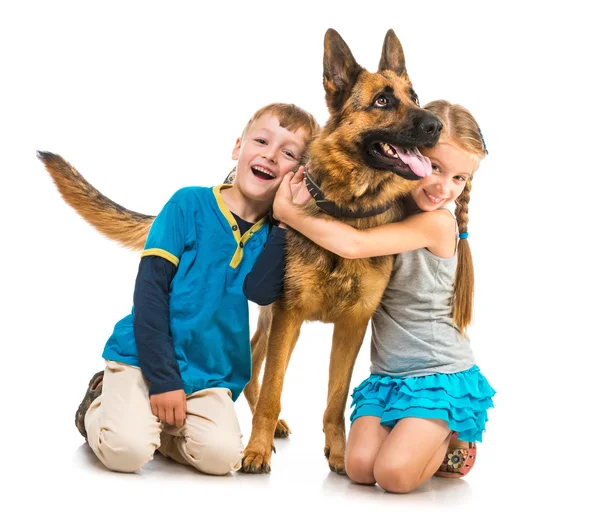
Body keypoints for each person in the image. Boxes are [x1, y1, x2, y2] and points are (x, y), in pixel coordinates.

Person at [244, 100, 495, 493]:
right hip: (390, 379)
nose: (444, 186)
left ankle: (452, 431)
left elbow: (354, 244)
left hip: (438, 377)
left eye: (459, 178)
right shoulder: (389, 204)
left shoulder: (439, 223)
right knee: (361, 469)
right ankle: (408, 429)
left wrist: (288, 212)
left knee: (393, 476)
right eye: (434, 167)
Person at [75, 102, 319, 475]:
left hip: (210, 373)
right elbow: (150, 295)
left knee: (222, 459)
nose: (270, 155)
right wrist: (163, 380)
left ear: (298, 174)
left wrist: (286, 221)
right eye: (261, 141)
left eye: (288, 153)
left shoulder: (278, 236)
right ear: (238, 147)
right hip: (146, 358)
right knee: (127, 452)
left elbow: (261, 293)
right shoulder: (187, 203)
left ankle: (153, 425)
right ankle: (100, 404)